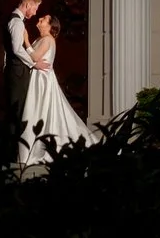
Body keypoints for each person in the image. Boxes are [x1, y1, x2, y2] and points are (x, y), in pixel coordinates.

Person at [16, 9, 101, 168]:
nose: (40, 18)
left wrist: (26, 40)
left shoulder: (48, 40)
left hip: (42, 82)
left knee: (41, 110)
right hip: (38, 79)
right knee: (36, 112)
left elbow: (35, 57)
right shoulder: (41, 39)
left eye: (44, 19)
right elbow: (33, 59)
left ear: (50, 26)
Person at [4, 0, 42, 156]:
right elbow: (17, 49)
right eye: (34, 8)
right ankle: (14, 153)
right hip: (17, 72)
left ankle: (16, 152)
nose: (35, 13)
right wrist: (34, 63)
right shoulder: (16, 22)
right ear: (27, 5)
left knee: (18, 110)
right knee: (17, 111)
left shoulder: (16, 21)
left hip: (16, 70)